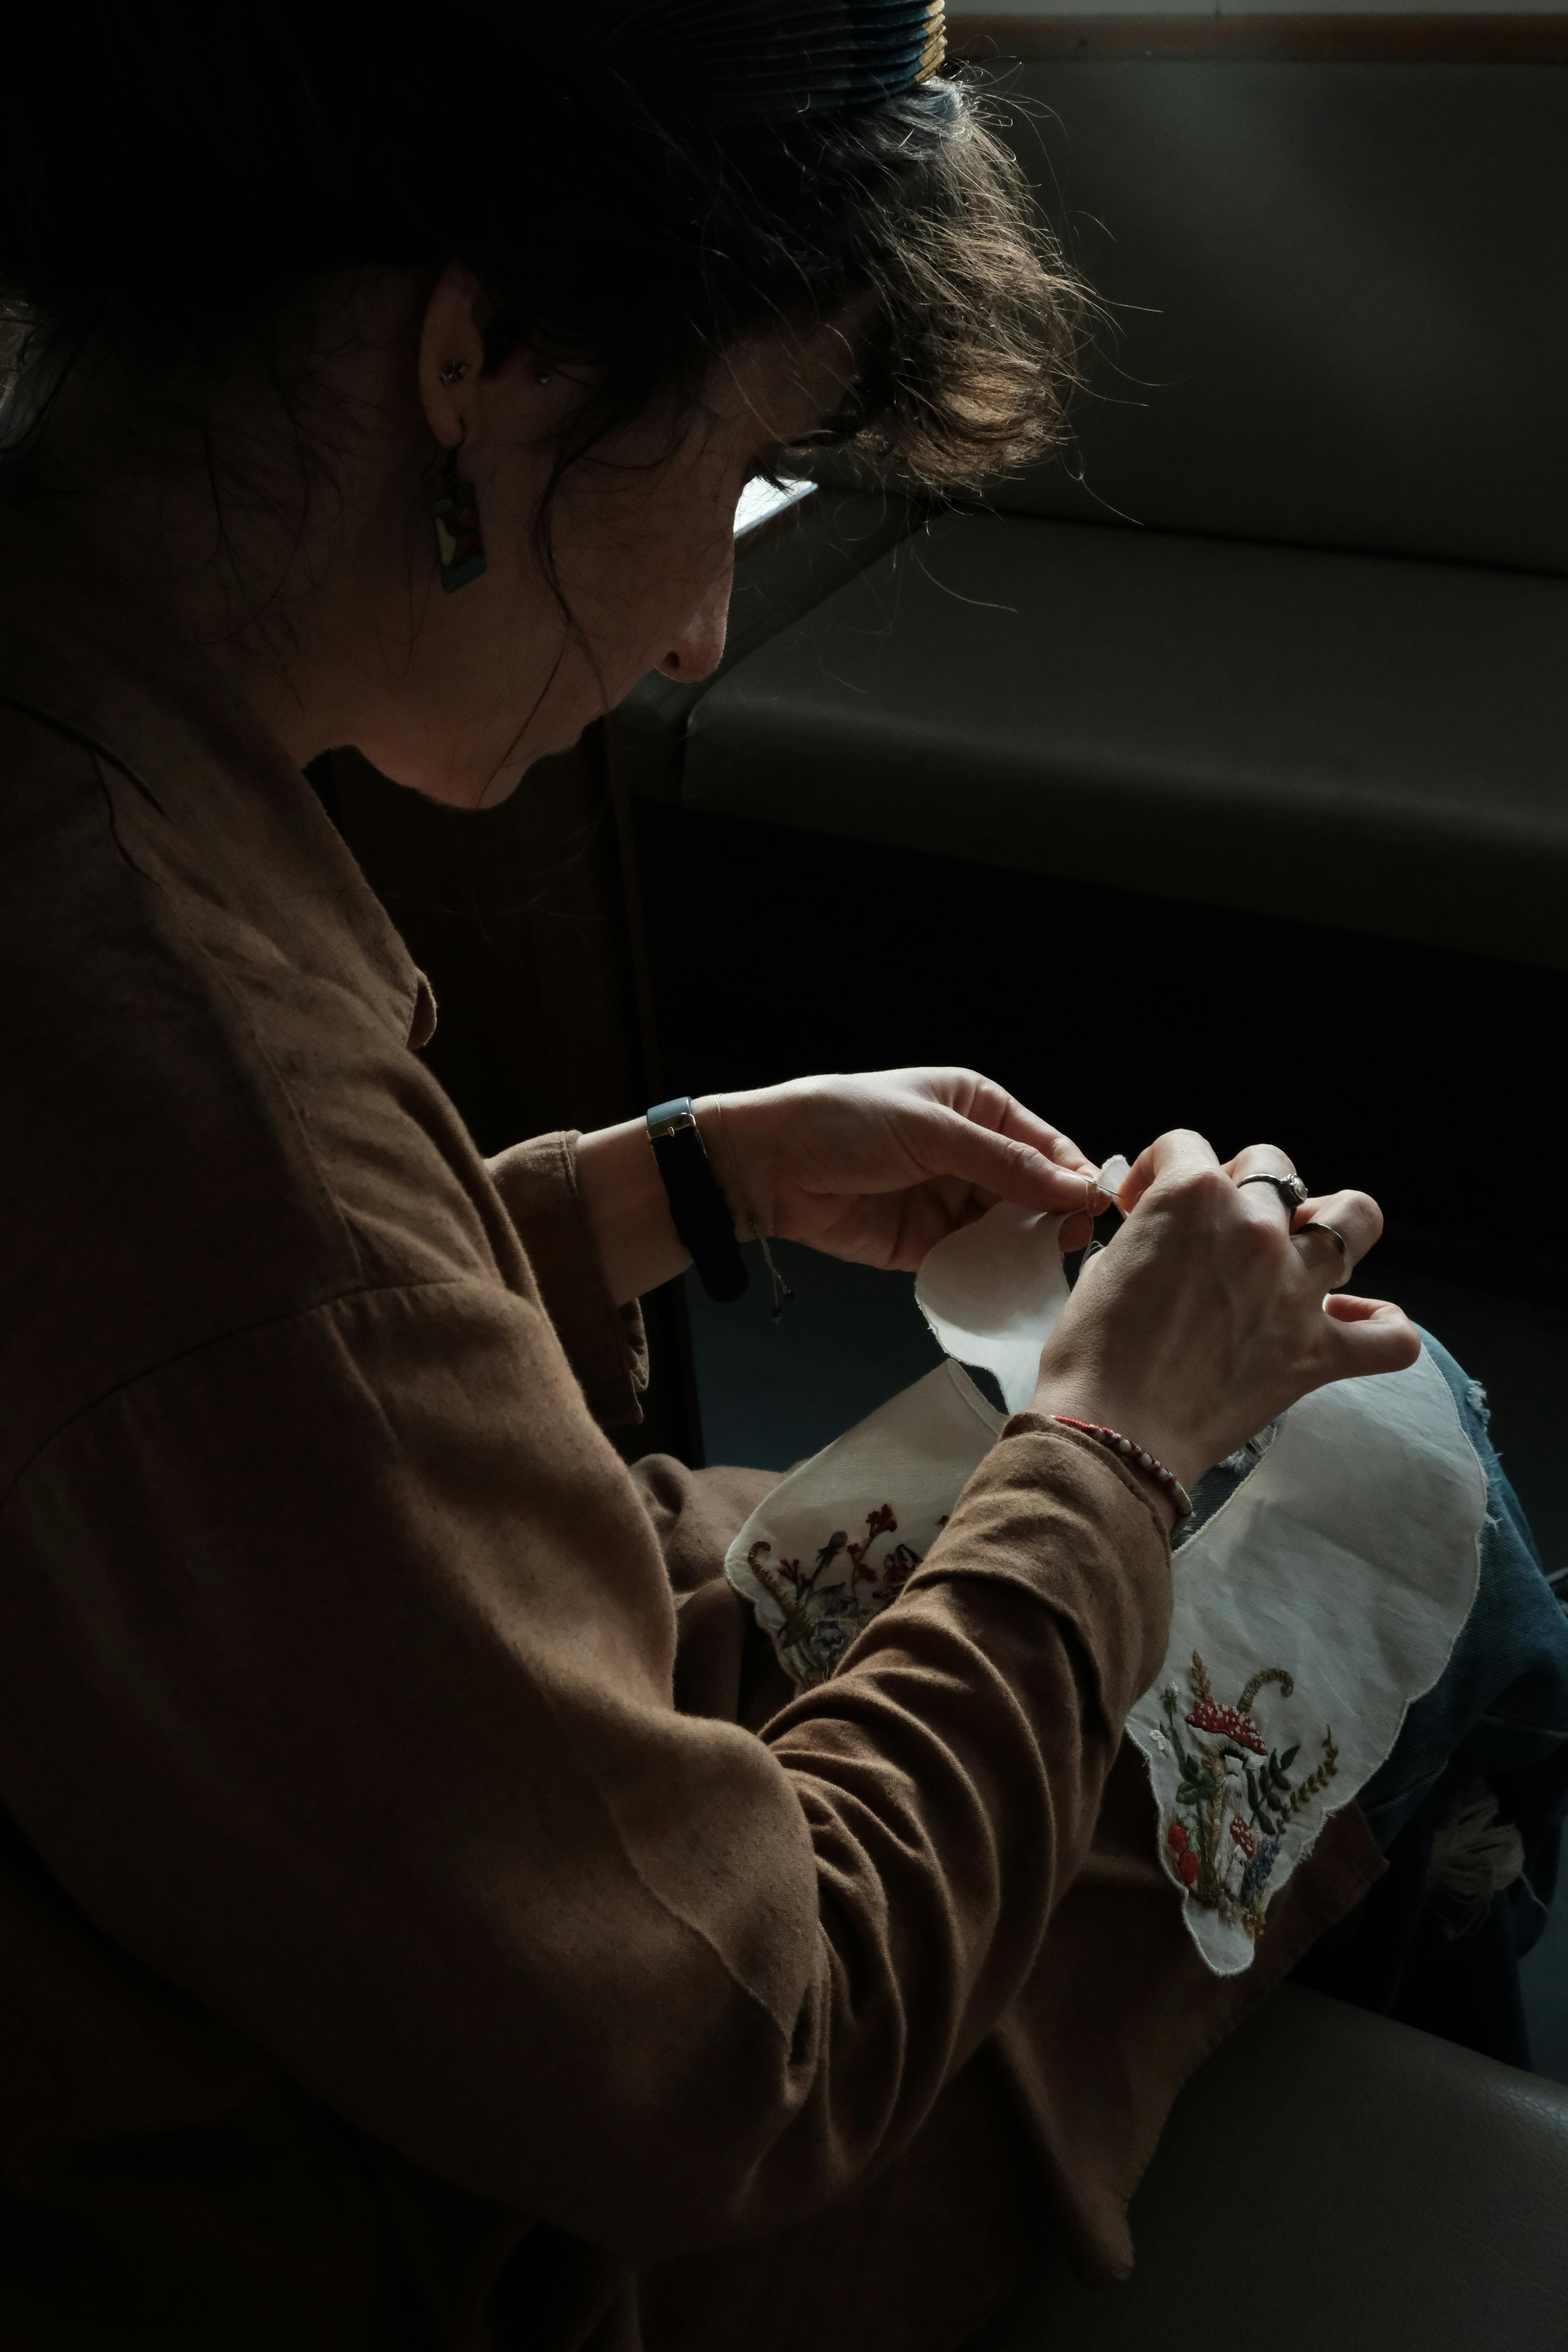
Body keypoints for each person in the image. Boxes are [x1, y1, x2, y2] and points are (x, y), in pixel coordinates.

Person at [0, 6, 1562, 2347]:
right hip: (506, 2204)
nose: (698, 635)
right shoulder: (202, 1108)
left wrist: (658, 1184)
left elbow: (199, 1436)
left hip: (326, 1924)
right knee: (1385, 1448)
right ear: (483, 353)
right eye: (729, 464)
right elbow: (742, 2057)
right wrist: (1116, 1444)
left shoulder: (81, 784)